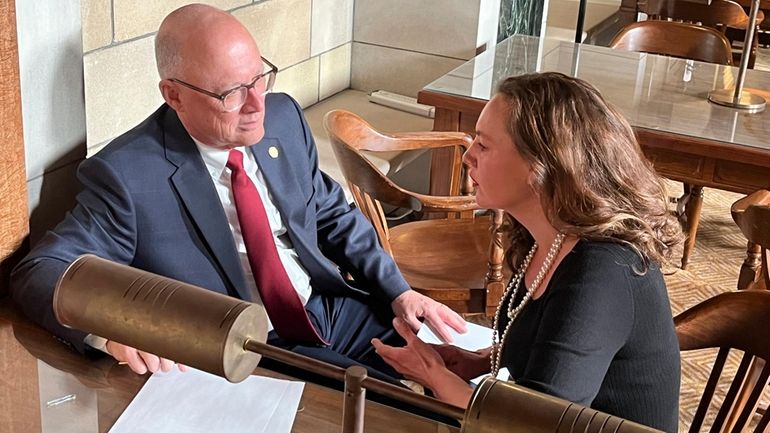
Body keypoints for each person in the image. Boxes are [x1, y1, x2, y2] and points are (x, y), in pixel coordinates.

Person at [10, 4, 465, 382]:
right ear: (174, 95)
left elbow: (330, 214)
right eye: (231, 92)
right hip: (256, 348)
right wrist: (108, 328)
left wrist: (398, 291)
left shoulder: (283, 118)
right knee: (401, 409)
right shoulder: (126, 176)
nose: (256, 103)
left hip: (330, 306)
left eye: (258, 77)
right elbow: (39, 271)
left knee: (467, 373)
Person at [372, 72, 683, 433]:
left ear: (543, 165)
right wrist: (476, 361)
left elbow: (532, 426)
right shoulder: (545, 232)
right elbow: (548, 337)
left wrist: (435, 376)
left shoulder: (603, 271)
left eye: (484, 146)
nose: (467, 157)